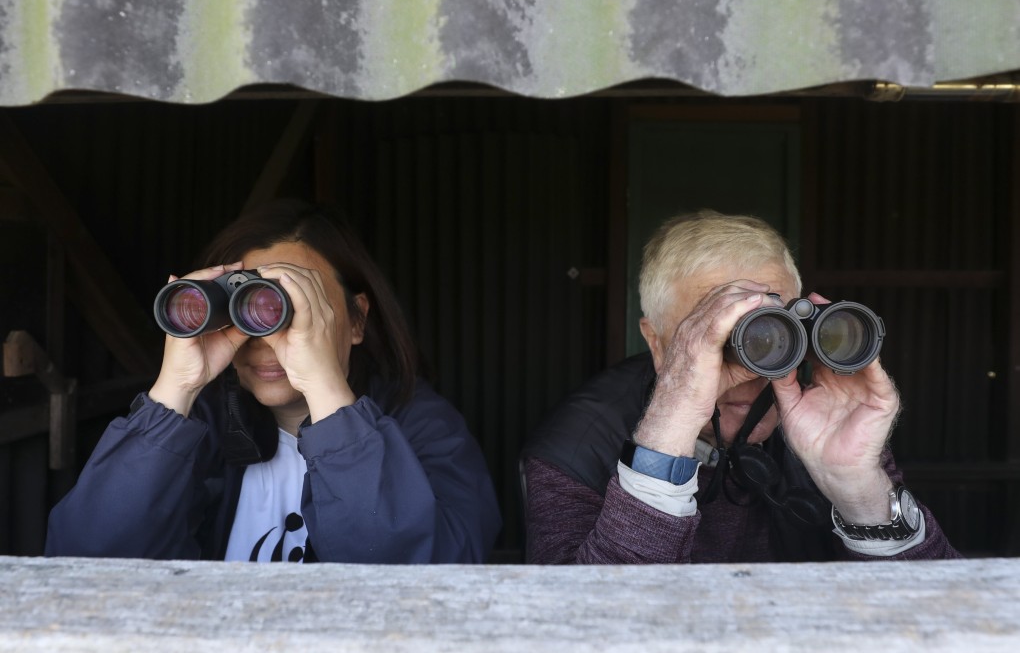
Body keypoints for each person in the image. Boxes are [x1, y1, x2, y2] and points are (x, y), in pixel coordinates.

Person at [47, 199, 501, 563]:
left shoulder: (422, 426)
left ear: (357, 319)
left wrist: (325, 389)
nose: (265, 340)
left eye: (292, 308)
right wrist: (174, 390)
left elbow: (417, 583)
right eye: (245, 310)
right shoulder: (197, 426)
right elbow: (85, 562)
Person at [523, 210, 960, 564]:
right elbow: (587, 623)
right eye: (710, 332)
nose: (750, 369)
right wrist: (665, 433)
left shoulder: (824, 414)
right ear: (656, 342)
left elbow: (942, 613)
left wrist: (857, 486)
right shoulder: (575, 448)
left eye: (772, 335)